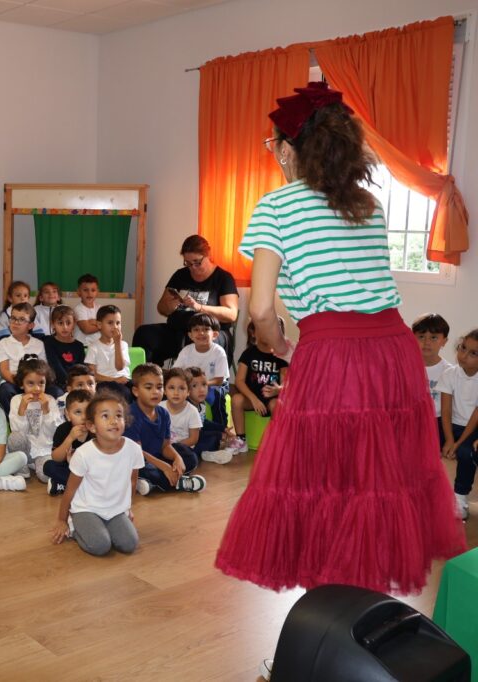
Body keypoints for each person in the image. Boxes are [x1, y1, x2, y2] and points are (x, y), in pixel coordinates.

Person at [216, 82, 464, 600]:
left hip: (333, 352)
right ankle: (361, 590)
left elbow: (260, 309)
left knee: (323, 472)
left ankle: (331, 595)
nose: (273, 154)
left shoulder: (276, 206)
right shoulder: (367, 203)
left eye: (273, 145)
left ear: (289, 149)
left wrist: (278, 345)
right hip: (392, 348)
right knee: (375, 474)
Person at [50, 392, 143, 557]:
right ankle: (75, 526)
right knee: (100, 545)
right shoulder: (83, 453)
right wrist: (62, 520)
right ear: (92, 426)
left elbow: (132, 482)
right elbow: (70, 490)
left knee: (129, 544)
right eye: (105, 416)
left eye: (118, 415)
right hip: (86, 508)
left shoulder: (133, 449)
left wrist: (127, 509)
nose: (114, 421)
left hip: (115, 510)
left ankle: (101, 527)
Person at [132, 234, 239, 366]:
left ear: (208, 255)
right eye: (188, 263)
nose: (193, 268)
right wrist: (170, 306)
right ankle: (147, 376)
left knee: (197, 339)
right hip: (178, 330)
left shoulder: (223, 278)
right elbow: (161, 308)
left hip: (209, 332)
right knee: (144, 333)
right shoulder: (180, 275)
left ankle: (195, 379)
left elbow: (231, 314)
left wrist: (199, 307)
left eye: (197, 262)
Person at [125, 363, 206, 495]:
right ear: (136, 391)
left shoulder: (163, 413)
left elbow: (165, 446)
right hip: (139, 460)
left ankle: (156, 482)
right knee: (149, 470)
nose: (155, 392)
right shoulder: (130, 415)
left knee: (190, 457)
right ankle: (176, 481)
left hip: (157, 457)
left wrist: (177, 458)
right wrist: (164, 467)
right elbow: (137, 453)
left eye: (159, 387)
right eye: (148, 387)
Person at [230, 320, 288, 454]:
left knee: (277, 405)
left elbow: (286, 383)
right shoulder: (249, 353)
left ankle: (277, 441)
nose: (268, 332)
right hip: (252, 399)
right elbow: (239, 381)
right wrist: (253, 399)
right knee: (236, 399)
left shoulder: (281, 356)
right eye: (263, 328)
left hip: (271, 398)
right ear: (253, 333)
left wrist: (278, 390)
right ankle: (241, 440)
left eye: (271, 329)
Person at [438, 329, 478, 519]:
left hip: (473, 427)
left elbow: (475, 416)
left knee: (465, 452)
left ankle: (460, 497)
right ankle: (423, 493)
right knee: (423, 442)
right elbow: (445, 411)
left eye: (473, 353)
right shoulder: (450, 373)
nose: (463, 355)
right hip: (451, 424)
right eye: (463, 348)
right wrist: (448, 440)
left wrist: (457, 444)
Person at [7, 359, 61, 483]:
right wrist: (22, 409)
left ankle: (37, 465)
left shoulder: (50, 400)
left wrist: (46, 410)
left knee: (46, 477)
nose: (37, 388)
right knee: (14, 437)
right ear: (22, 384)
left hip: (43, 451)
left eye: (41, 383)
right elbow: (16, 431)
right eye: (30, 383)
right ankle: (22, 466)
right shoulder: (16, 400)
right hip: (24, 451)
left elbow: (54, 433)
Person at [174, 313, 230, 428]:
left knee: (218, 396)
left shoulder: (218, 352)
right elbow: (176, 372)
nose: (201, 333)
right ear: (190, 335)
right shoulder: (186, 351)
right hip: (192, 385)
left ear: (215, 334)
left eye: (206, 329)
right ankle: (186, 425)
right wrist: (189, 385)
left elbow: (219, 380)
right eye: (196, 330)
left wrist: (201, 384)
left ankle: (221, 429)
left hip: (215, 384)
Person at [0, 301, 47, 413]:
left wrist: (32, 385)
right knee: (4, 390)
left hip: (35, 384)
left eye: (22, 319)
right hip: (14, 382)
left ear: (31, 325)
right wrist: (22, 384)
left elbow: (43, 369)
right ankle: (15, 418)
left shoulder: (39, 344)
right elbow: (4, 371)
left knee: (55, 391)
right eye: (13, 318)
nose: (16, 322)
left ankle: (44, 419)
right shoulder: (3, 343)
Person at [46, 389, 93, 496]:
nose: (84, 417)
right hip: (70, 470)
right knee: (49, 466)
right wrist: (70, 438)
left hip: (90, 471)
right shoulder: (63, 429)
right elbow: (56, 458)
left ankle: (65, 485)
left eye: (88, 411)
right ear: (67, 414)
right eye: (78, 412)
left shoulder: (96, 431)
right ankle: (83, 486)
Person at [413, 313, 451, 445]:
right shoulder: (406, 367)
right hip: (412, 420)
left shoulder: (449, 371)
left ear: (444, 341)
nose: (427, 342)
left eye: (434, 337)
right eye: (421, 336)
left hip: (438, 421)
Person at [85, 304, 131, 402]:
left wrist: (117, 343)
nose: (115, 327)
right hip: (104, 383)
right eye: (110, 323)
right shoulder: (94, 347)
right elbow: (93, 375)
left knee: (139, 389)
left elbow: (120, 367)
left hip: (124, 381)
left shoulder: (123, 345)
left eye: (118, 323)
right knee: (124, 392)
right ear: (99, 325)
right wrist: (114, 380)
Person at [44, 306, 87, 394]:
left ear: (74, 324)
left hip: (76, 382)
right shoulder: (49, 343)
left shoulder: (79, 345)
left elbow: (81, 367)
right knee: (56, 392)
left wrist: (75, 383)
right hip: (57, 383)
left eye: (68, 323)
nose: (65, 327)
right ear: (53, 324)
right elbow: (55, 366)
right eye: (60, 323)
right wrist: (69, 383)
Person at [72, 274, 100, 346]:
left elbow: (108, 325)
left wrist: (95, 323)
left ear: (97, 292)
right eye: (85, 290)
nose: (89, 293)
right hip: (83, 346)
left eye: (93, 290)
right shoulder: (78, 309)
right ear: (78, 292)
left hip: (96, 346)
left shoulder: (99, 308)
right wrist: (102, 325)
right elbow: (86, 329)